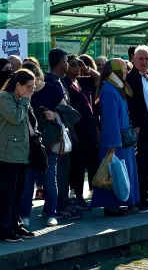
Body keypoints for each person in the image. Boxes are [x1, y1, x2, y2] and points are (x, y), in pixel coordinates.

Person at [0, 69, 37, 242]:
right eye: (28, 87)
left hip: (20, 152)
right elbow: (15, 118)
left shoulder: (21, 99)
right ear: (18, 85)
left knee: (18, 192)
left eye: (33, 88)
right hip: (6, 152)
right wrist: (26, 101)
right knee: (7, 193)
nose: (30, 92)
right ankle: (4, 229)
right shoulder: (5, 98)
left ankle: (15, 224)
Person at [92, 59, 140, 216]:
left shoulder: (116, 87)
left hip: (121, 138)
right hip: (115, 140)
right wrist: (113, 142)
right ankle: (111, 205)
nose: (126, 72)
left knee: (122, 172)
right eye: (124, 69)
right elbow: (110, 119)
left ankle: (123, 202)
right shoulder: (109, 89)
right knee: (114, 173)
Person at [20, 64, 61, 228]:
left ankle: (51, 213)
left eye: (33, 82)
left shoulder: (53, 90)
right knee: (27, 180)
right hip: (29, 142)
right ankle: (24, 214)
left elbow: (67, 110)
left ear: (39, 76)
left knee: (50, 178)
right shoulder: (21, 92)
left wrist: (55, 114)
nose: (32, 87)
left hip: (49, 142)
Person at [44, 49, 80, 220]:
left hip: (64, 133)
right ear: (59, 63)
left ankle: (57, 203)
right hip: (54, 137)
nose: (68, 64)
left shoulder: (60, 81)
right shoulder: (49, 82)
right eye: (67, 61)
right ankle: (60, 205)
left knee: (63, 171)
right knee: (59, 173)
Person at [126, 45, 148, 212]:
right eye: (141, 59)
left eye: (147, 59)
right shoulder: (132, 78)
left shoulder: (147, 77)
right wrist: (135, 125)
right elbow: (132, 105)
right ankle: (139, 199)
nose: (144, 62)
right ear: (134, 59)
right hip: (141, 130)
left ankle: (145, 196)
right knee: (141, 164)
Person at [64, 55, 97, 209]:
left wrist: (87, 68)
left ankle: (89, 192)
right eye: (73, 65)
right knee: (77, 163)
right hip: (76, 129)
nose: (77, 67)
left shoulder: (82, 80)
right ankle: (77, 195)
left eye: (78, 64)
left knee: (90, 160)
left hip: (89, 128)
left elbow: (100, 79)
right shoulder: (65, 83)